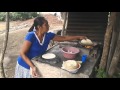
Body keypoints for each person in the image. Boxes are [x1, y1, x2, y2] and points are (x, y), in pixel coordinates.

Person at [14, 16, 87, 78]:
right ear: (39, 27)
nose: (48, 26)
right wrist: (32, 66)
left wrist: (78, 37)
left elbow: (64, 38)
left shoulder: (48, 36)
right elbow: (22, 53)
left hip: (35, 64)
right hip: (25, 65)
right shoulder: (31, 36)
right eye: (46, 24)